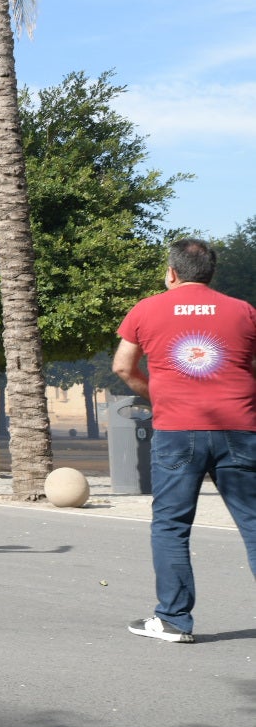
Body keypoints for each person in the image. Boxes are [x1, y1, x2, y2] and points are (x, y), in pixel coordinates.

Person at [112, 237, 256, 643]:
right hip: (239, 430)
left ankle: (173, 620)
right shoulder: (244, 311)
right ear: (211, 273)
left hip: (177, 432)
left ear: (171, 273)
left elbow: (122, 366)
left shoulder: (146, 309)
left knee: (172, 525)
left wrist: (158, 395)